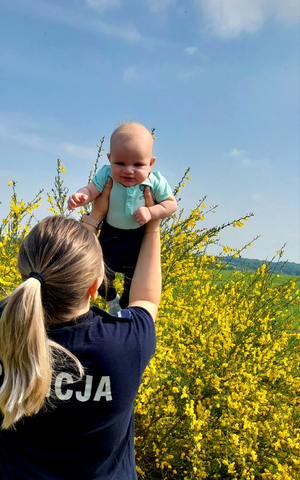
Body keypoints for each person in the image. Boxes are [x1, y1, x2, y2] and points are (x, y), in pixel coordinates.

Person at [0, 182, 161, 480]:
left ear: (25, 274)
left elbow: (64, 273)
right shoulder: (125, 345)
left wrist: (92, 219)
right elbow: (147, 299)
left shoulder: (4, 329)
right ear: (95, 286)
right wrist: (151, 228)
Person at [68, 122, 177, 313]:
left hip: (138, 239)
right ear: (110, 159)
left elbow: (171, 204)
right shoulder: (106, 174)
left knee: (135, 280)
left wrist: (151, 212)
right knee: (96, 269)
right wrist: (82, 196)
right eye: (120, 163)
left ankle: (125, 308)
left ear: (151, 163)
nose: (128, 170)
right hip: (110, 235)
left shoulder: (155, 180)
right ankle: (112, 299)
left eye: (138, 164)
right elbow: (92, 190)